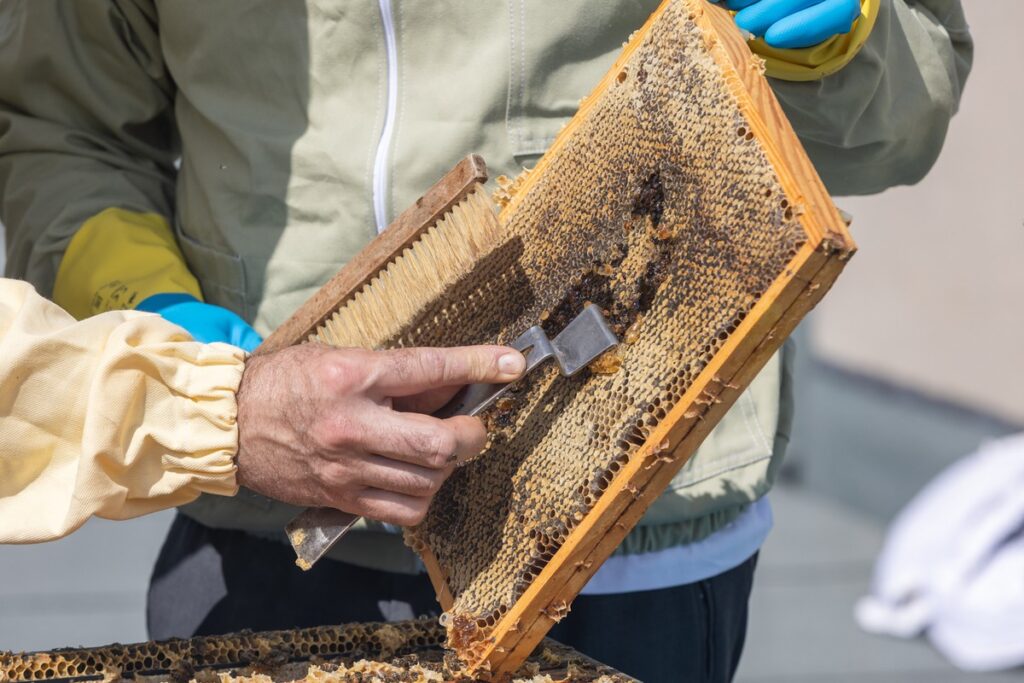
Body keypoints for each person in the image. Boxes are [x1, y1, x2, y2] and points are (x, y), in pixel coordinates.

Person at [0, 0, 971, 680]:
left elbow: (899, 114)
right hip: (261, 508)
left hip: (623, 525)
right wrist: (168, 335)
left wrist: (845, 43)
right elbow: (64, 123)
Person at [0, 277, 525, 543]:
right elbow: (71, 134)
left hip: (532, 510)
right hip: (244, 527)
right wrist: (200, 388)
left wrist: (194, 398)